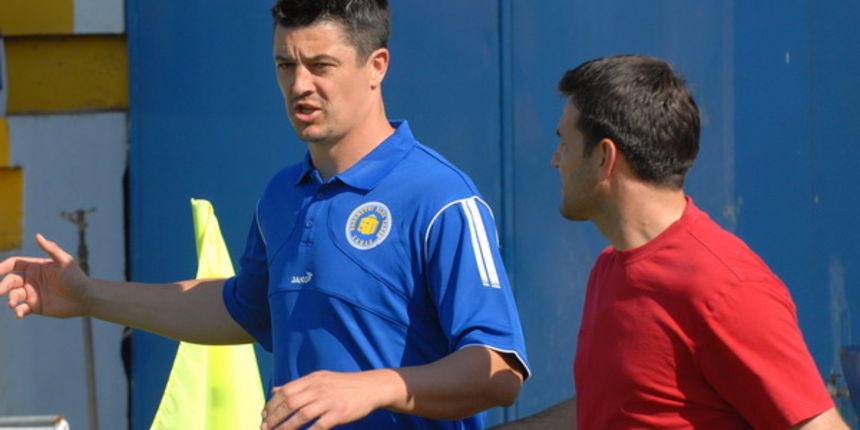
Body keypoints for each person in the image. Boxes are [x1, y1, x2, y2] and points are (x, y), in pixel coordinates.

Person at [0, 1, 530, 429]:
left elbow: (499, 369)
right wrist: (91, 295)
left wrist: (371, 387)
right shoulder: (281, 194)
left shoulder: (441, 197)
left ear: (377, 67)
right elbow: (241, 311)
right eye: (285, 65)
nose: (300, 85)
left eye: (321, 65)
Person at [492, 55, 847, 430]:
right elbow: (626, 405)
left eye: (563, 142)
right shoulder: (609, 267)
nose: (554, 160)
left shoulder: (725, 288)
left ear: (603, 157)